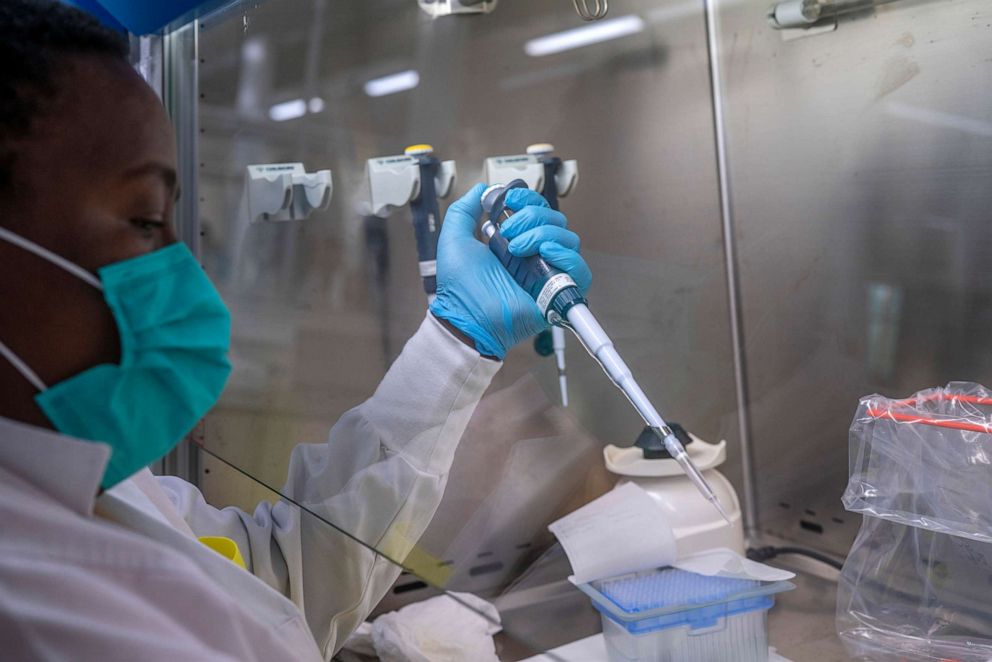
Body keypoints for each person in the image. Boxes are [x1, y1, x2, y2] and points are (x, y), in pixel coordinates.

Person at [0, 2, 592, 660]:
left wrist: (458, 340)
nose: (182, 264)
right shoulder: (33, 610)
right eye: (143, 219)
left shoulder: (92, 481)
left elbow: (278, 585)